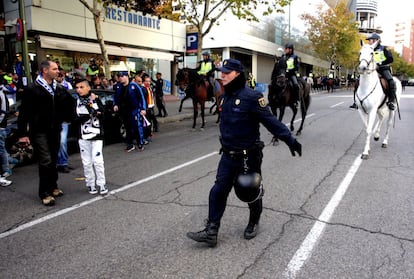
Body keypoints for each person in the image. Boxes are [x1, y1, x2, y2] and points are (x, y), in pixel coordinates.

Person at [186, 59, 302, 247]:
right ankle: (211, 231)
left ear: (237, 74)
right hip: (228, 155)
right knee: (218, 190)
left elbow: (271, 121)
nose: (222, 75)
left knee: (250, 191)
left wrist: (290, 140)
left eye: (226, 72)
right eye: (222, 72)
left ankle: (253, 222)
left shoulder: (252, 97)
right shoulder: (223, 97)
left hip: (249, 156)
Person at [17, 60, 75, 206]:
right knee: (45, 160)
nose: (58, 71)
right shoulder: (32, 89)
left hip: (54, 129)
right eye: (54, 69)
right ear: (45, 70)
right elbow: (24, 113)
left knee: (54, 158)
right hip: (39, 131)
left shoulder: (58, 88)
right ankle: (44, 192)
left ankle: (53, 186)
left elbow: (69, 103)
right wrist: (23, 133)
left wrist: (68, 117)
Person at [74, 78, 108, 195]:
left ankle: (102, 183)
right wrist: (88, 115)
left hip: (96, 135)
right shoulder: (76, 102)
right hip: (83, 136)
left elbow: (103, 114)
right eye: (77, 88)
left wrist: (94, 106)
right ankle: (90, 183)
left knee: (97, 160)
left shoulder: (95, 99)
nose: (79, 90)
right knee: (87, 162)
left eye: (81, 87)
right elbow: (74, 120)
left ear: (88, 88)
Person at [350, 33, 396, 110]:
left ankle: (391, 101)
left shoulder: (384, 48)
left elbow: (390, 59)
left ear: (376, 40)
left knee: (391, 82)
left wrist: (381, 63)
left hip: (382, 68)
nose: (369, 42)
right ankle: (356, 102)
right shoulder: (367, 48)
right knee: (357, 82)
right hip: (370, 69)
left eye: (370, 40)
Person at [56, 70, 73, 173]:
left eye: (60, 76)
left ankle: (64, 162)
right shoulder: (49, 88)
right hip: (54, 119)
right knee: (57, 142)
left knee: (62, 142)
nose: (59, 78)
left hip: (63, 120)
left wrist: (68, 117)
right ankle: (59, 162)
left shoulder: (66, 87)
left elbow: (70, 102)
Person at [114, 71, 136, 152]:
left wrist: (142, 108)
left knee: (134, 126)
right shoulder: (118, 86)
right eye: (119, 76)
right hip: (123, 110)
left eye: (122, 76)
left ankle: (140, 140)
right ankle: (130, 143)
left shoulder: (133, 86)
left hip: (133, 109)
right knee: (127, 126)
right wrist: (115, 104)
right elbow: (116, 97)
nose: (120, 78)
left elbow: (139, 97)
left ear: (127, 77)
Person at [0, 84, 13, 187]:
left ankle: (5, 171)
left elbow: (3, 112)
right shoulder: (3, 93)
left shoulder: (1, 94)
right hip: (2, 126)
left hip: (1, 127)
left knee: (1, 150)